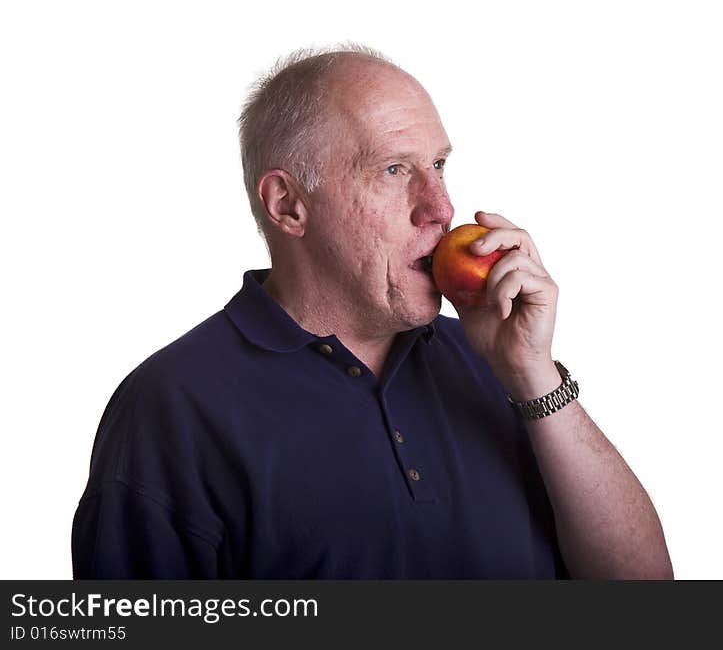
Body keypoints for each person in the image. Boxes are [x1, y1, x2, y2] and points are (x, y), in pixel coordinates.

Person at [72, 45, 673, 579]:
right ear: (288, 206)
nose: (441, 208)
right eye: (393, 171)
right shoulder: (173, 406)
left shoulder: (497, 364)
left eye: (438, 166)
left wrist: (534, 376)